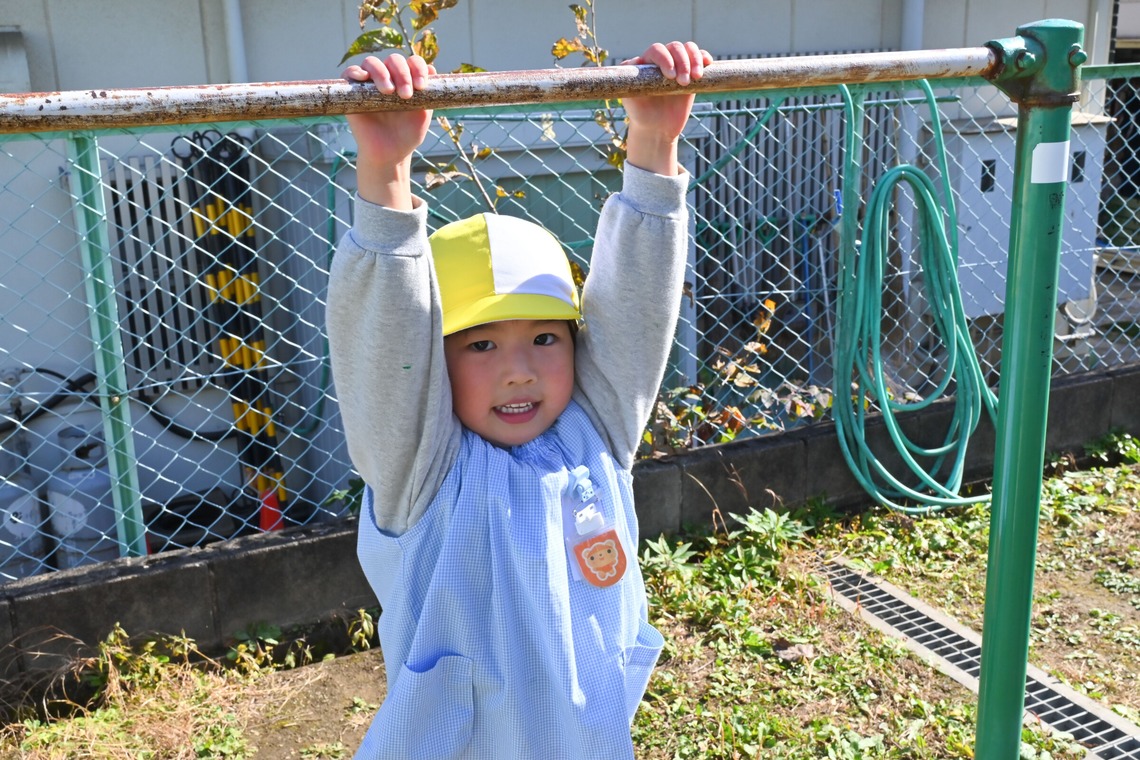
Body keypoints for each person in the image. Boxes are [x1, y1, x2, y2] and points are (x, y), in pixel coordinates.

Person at [327, 41, 711, 759]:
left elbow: (634, 314)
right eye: (480, 345)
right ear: (435, 361)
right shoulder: (422, 472)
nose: (519, 372)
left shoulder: (595, 432)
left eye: (543, 338)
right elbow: (388, 348)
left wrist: (655, 143)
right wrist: (385, 172)